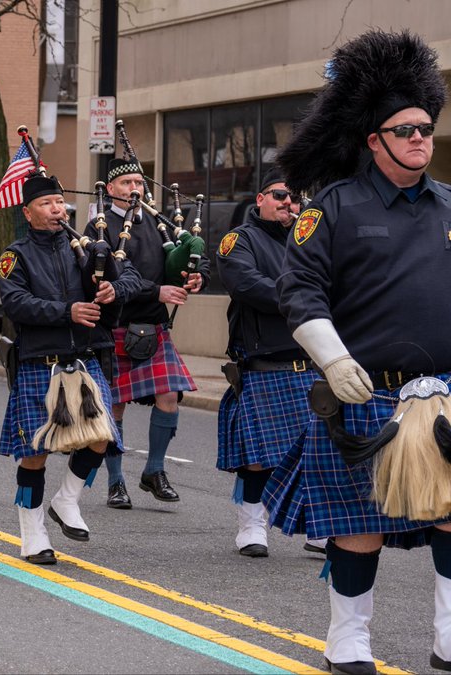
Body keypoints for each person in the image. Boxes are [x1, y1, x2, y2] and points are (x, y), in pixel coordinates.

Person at [268, 30, 451, 674]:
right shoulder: (332, 209)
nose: (419, 140)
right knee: (358, 525)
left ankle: (449, 637)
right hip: (365, 392)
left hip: (444, 394)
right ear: (374, 140)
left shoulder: (450, 207)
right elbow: (300, 291)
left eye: (426, 128)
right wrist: (334, 358)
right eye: (404, 130)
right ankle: (348, 638)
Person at [0, 174, 139, 563]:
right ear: (27, 212)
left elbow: (130, 277)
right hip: (39, 361)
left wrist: (114, 290)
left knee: (102, 435)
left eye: (60, 202)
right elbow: (16, 303)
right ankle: (33, 533)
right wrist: (67, 311)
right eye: (46, 204)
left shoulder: (87, 248)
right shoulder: (16, 255)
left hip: (85, 358)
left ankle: (66, 499)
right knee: (35, 451)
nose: (57, 209)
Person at [84, 159, 205, 508]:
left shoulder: (158, 222)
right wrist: (158, 292)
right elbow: (108, 278)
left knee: (169, 396)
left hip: (154, 325)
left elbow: (190, 253)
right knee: (116, 405)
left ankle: (154, 471)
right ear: (110, 190)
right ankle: (116, 481)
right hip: (117, 323)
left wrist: (197, 277)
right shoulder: (99, 228)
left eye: (138, 182)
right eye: (125, 183)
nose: (134, 188)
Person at [215, 167, 323, 558]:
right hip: (265, 362)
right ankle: (251, 525)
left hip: (312, 363)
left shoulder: (310, 240)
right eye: (279, 195)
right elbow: (245, 284)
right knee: (258, 458)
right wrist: (300, 298)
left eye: (295, 196)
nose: (288, 203)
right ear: (259, 199)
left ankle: (318, 529)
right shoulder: (239, 240)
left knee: (317, 452)